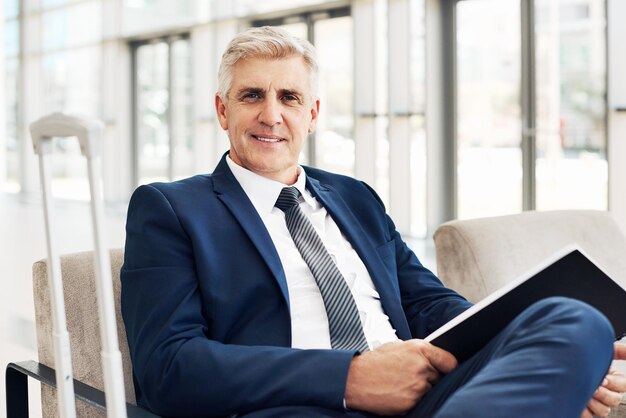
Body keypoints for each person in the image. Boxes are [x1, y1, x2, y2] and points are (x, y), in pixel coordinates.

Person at [121, 26, 626, 418]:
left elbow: (429, 304)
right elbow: (168, 367)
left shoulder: (354, 197)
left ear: (313, 114)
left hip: (428, 396)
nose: (271, 115)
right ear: (221, 109)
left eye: (289, 98)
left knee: (573, 319)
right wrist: (349, 377)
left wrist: (525, 354)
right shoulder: (171, 209)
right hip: (301, 404)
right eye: (252, 95)